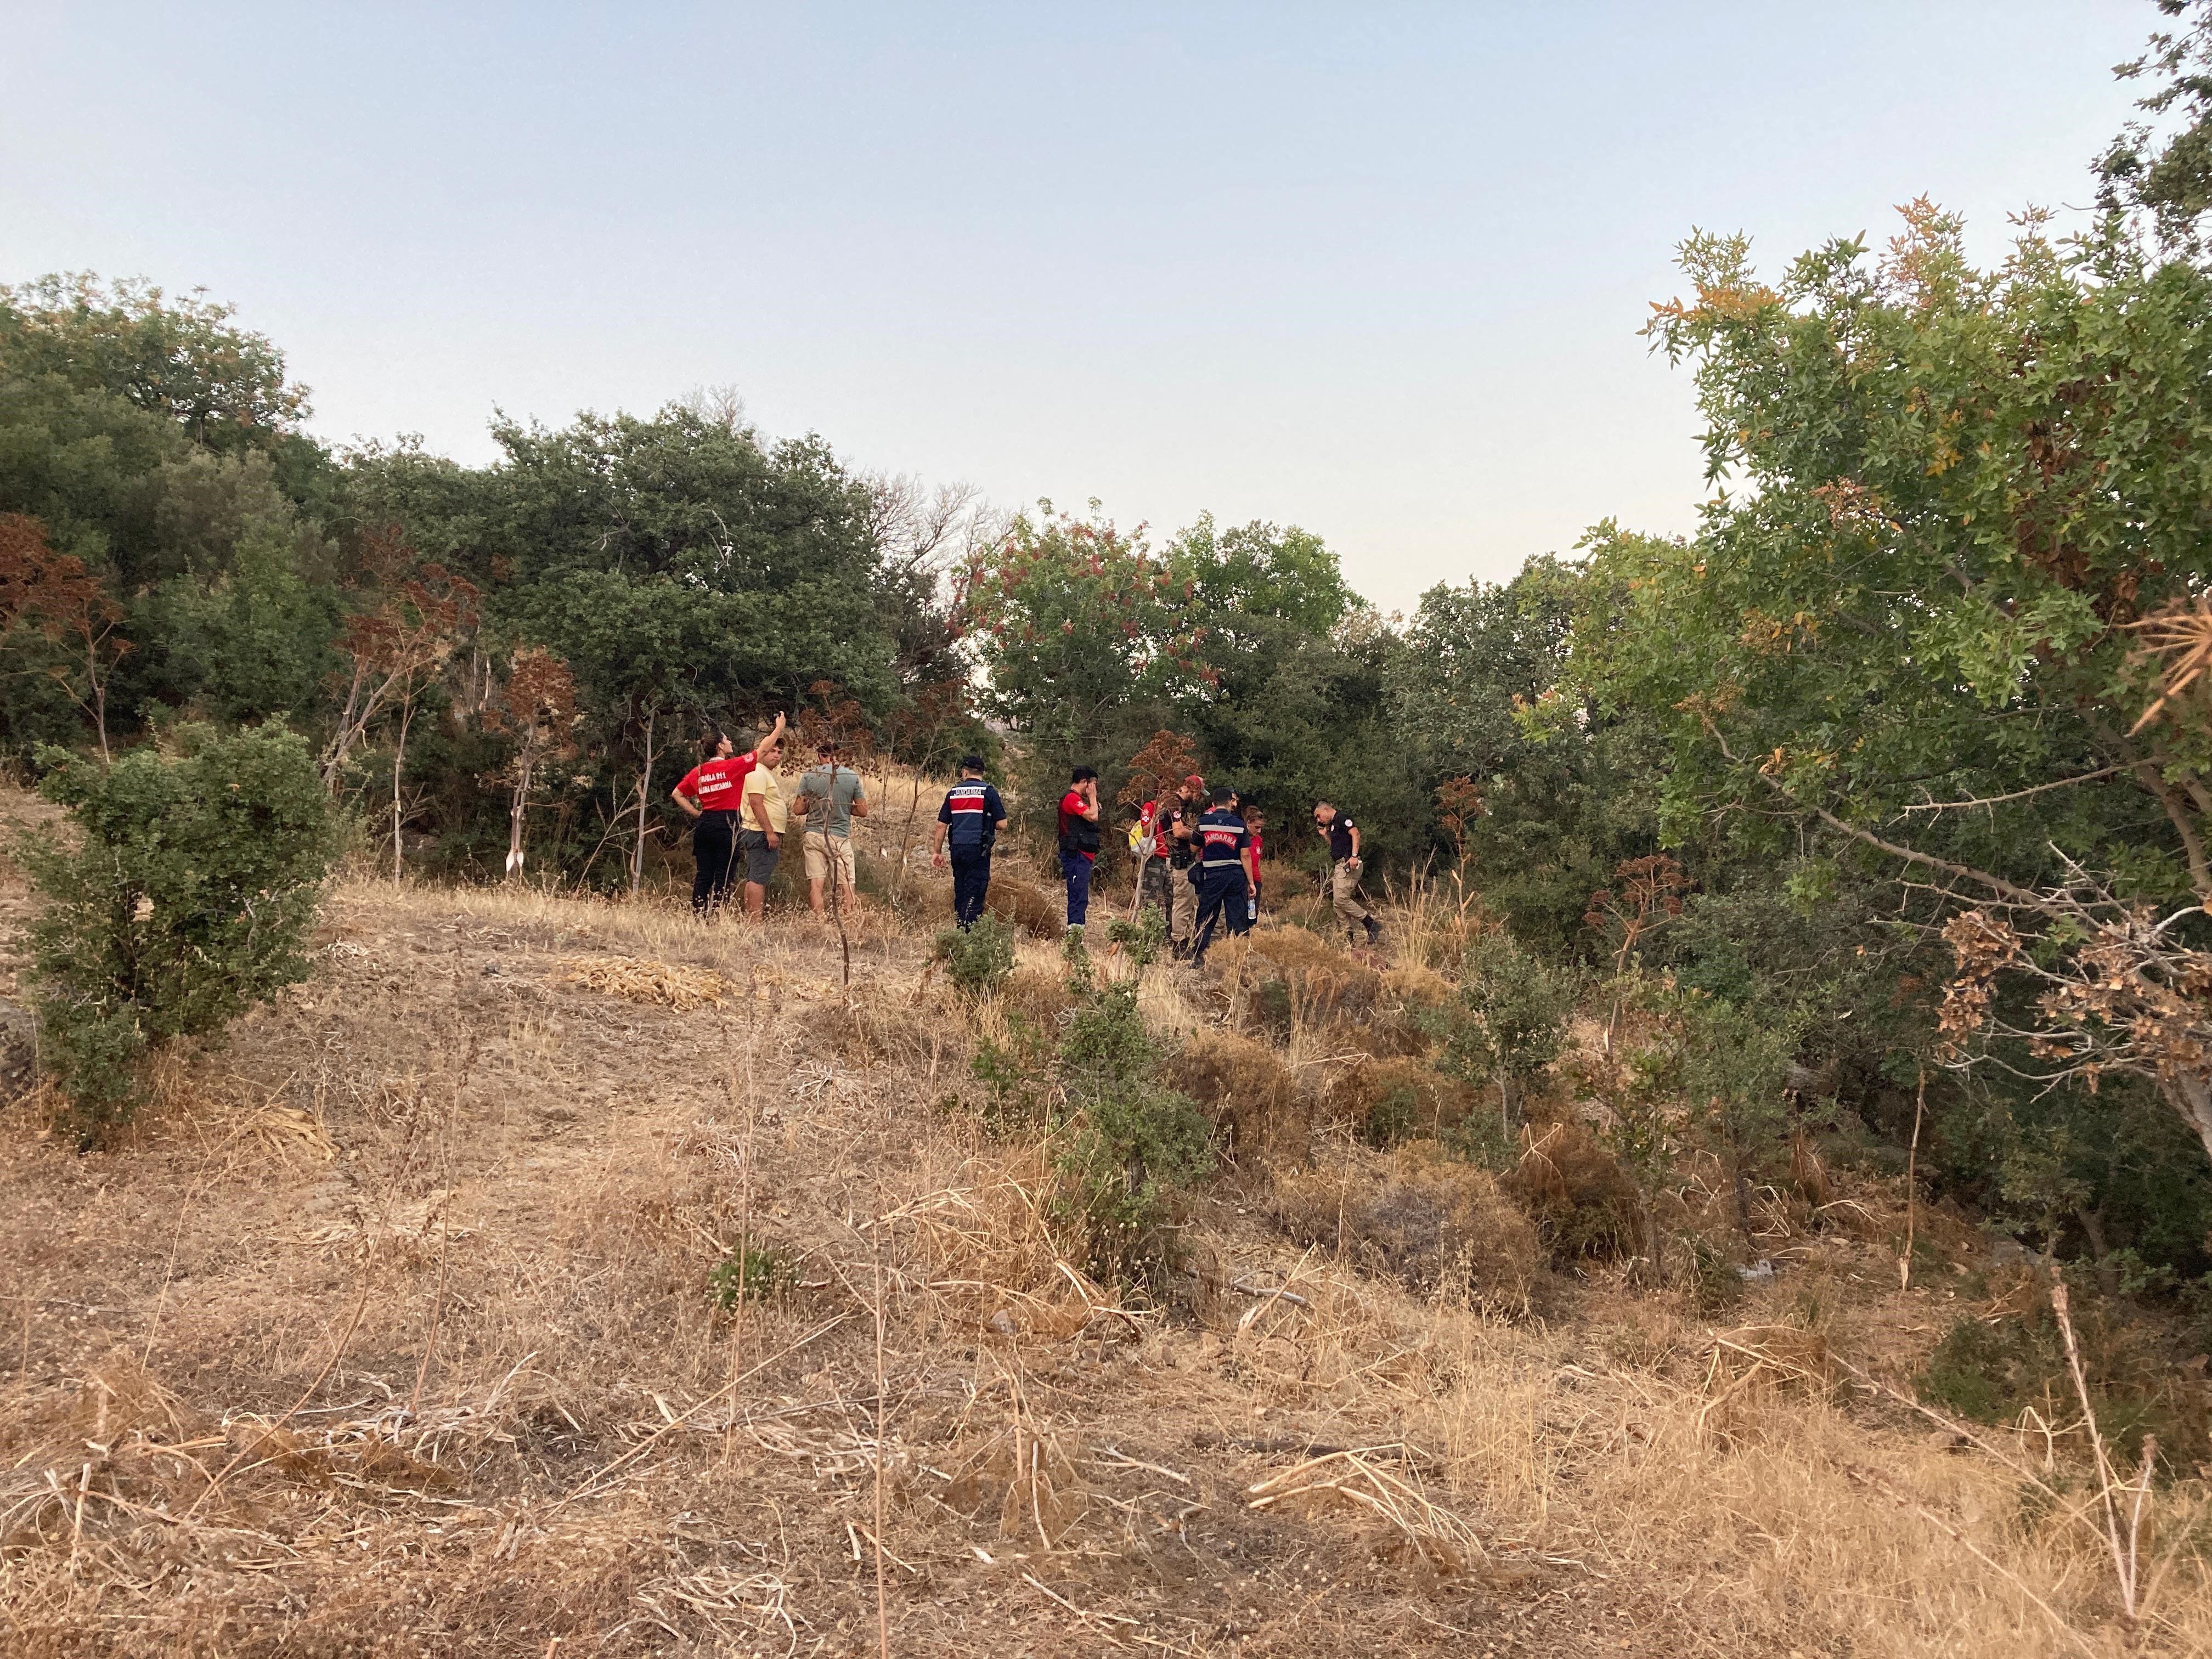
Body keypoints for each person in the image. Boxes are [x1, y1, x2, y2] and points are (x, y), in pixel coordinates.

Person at [671, 713, 786, 914]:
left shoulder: (698, 771)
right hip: (727, 823)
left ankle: (699, 914)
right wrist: (778, 729)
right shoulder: (732, 766)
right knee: (724, 874)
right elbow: (763, 749)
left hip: (705, 823)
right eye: (726, 739)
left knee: (704, 874)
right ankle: (718, 913)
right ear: (720, 747)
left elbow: (677, 794)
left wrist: (698, 813)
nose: (730, 741)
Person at [791, 737, 868, 920]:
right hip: (839, 838)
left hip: (813, 834)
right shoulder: (851, 776)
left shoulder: (809, 775)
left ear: (820, 756)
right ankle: (849, 922)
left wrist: (816, 805)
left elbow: (798, 809)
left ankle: (820, 922)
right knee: (847, 884)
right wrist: (841, 806)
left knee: (816, 884)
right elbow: (863, 810)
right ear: (839, 756)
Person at [930, 755, 1006, 927]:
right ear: (982, 773)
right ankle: (969, 932)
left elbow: (941, 826)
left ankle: (959, 927)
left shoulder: (953, 793)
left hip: (957, 849)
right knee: (976, 891)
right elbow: (1002, 824)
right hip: (978, 850)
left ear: (965, 772)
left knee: (961, 889)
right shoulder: (989, 792)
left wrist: (937, 852)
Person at [1188, 786, 1257, 967]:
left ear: (1213, 804)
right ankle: (1240, 957)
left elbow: (1194, 848)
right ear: (1229, 803)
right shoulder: (1239, 824)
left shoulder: (1203, 822)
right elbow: (1245, 856)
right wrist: (1251, 883)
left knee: (1207, 916)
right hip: (1235, 876)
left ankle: (1199, 955)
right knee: (1237, 917)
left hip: (1212, 875)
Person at [1314, 798, 1381, 945]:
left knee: (1342, 900)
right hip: (1339, 865)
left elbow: (1356, 834)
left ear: (1325, 810)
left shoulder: (1342, 818)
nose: (1319, 819)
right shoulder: (1333, 826)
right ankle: (1348, 937)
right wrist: (1325, 835)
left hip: (1348, 864)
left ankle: (1370, 923)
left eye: (1318, 816)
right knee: (1337, 904)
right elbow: (1336, 847)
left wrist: (1354, 856)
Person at [737, 731, 789, 920]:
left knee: (755, 876)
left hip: (758, 832)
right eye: (772, 751)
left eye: (780, 752)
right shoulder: (757, 772)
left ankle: (751, 918)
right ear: (763, 751)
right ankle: (756, 921)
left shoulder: (762, 773)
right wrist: (769, 832)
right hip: (760, 832)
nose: (776, 755)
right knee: (759, 878)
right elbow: (756, 802)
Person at [1163, 774, 1204, 956]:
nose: (1200, 798)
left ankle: (1181, 939)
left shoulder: (1178, 804)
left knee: (1184, 901)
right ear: (1192, 788)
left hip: (1180, 858)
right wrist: (1199, 834)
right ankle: (1178, 944)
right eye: (1199, 793)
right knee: (1182, 901)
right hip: (1179, 859)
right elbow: (1179, 832)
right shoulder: (1175, 803)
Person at [1057, 766, 1102, 929]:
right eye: (1093, 784)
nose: (1093, 788)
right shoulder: (1071, 798)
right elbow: (1093, 816)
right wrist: (1093, 797)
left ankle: (1077, 932)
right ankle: (1074, 934)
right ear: (1085, 782)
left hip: (1083, 855)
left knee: (1081, 895)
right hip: (1075, 854)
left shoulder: (1079, 800)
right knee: (1077, 895)